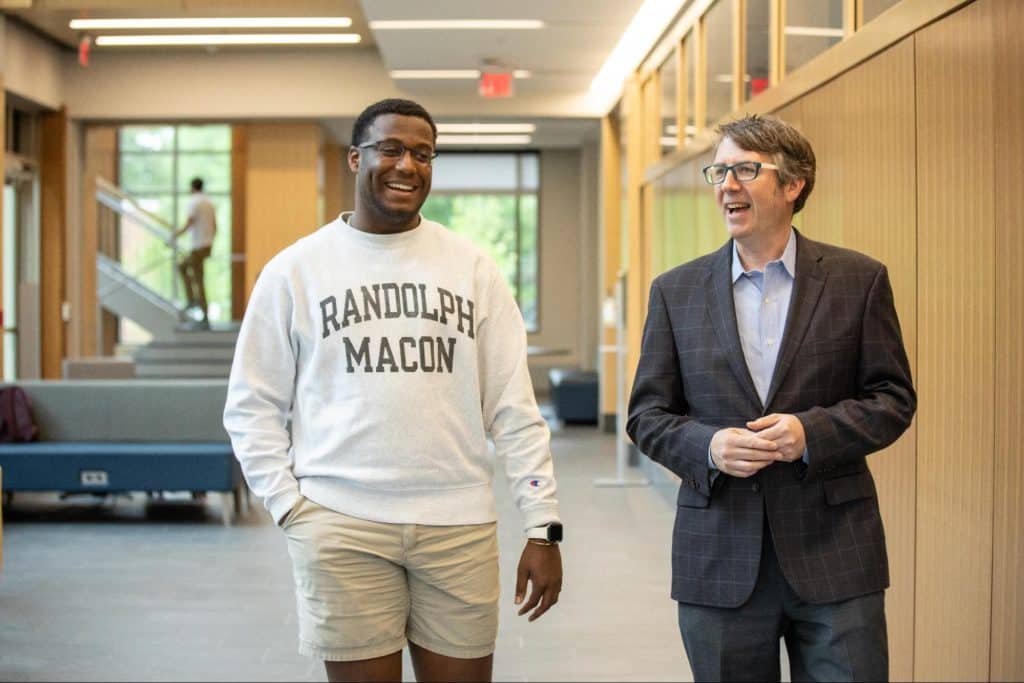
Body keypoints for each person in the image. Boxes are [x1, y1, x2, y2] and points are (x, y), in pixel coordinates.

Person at [223, 98, 563, 683]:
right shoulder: (295, 270)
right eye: (391, 149)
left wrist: (542, 526)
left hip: (458, 526)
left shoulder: (473, 269)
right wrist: (288, 507)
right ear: (356, 158)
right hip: (341, 523)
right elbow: (251, 405)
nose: (407, 165)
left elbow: (514, 408)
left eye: (423, 154)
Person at [626, 114, 916, 682]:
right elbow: (647, 416)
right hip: (719, 556)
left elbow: (892, 398)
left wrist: (812, 433)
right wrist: (709, 447)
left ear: (793, 184)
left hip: (836, 554)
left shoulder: (859, 280)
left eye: (745, 170)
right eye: (719, 172)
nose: (726, 186)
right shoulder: (675, 292)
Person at [175, 176, 217, 328]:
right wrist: (210, 242)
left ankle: (196, 304)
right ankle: (193, 300)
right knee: (185, 268)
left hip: (198, 246)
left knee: (197, 278)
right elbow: (215, 226)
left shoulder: (195, 202)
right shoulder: (209, 202)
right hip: (206, 245)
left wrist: (176, 235)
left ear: (192, 187)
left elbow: (190, 222)